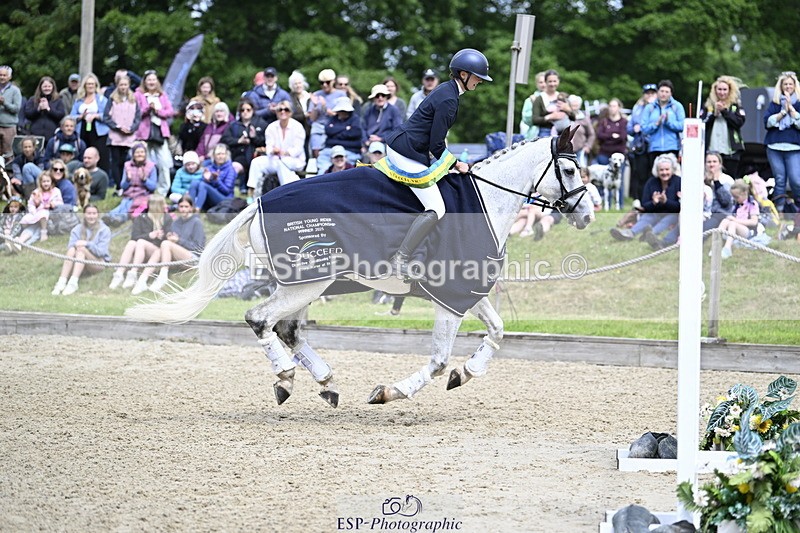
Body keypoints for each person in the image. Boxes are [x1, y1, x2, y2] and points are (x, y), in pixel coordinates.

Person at [382, 48, 492, 280]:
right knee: (436, 208)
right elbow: (436, 144)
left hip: (409, 147)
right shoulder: (449, 99)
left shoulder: (447, 90)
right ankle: (400, 259)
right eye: (477, 77)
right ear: (463, 75)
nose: (480, 81)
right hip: (405, 151)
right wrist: (458, 163)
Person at [137, 195, 206, 294]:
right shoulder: (176, 222)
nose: (183, 209)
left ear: (191, 208)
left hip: (193, 258)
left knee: (166, 244)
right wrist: (166, 236)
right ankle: (143, 279)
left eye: (186, 207)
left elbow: (199, 247)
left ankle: (162, 276)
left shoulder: (196, 222)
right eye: (181, 206)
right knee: (159, 249)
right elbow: (170, 240)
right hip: (176, 257)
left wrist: (178, 240)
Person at [610, 154, 681, 244]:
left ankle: (649, 235)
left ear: (672, 170)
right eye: (661, 170)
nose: (664, 172)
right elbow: (644, 205)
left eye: (667, 169)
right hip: (655, 212)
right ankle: (630, 233)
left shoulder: (678, 181)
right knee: (648, 216)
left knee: (669, 218)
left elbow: (680, 206)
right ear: (657, 171)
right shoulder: (651, 182)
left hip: (672, 214)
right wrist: (654, 202)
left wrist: (666, 202)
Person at [108, 195, 172, 294]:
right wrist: (150, 235)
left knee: (141, 242)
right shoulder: (141, 218)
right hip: (140, 249)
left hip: (156, 250)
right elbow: (134, 236)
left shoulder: (167, 218)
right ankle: (119, 274)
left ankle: (133, 272)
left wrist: (162, 236)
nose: (165, 205)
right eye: (162, 204)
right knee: (131, 243)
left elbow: (167, 237)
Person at [247, 100, 306, 196]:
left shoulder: (298, 127)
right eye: (280, 110)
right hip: (275, 159)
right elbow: (269, 146)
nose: (283, 112)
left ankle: (287, 193)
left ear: (290, 112)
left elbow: (297, 149)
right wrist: (272, 150)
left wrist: (284, 152)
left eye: (286, 109)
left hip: (294, 160)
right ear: (276, 112)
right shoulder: (271, 127)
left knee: (282, 163)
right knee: (256, 162)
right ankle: (252, 193)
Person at [50, 204, 111, 296]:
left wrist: (87, 244)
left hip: (97, 262)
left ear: (98, 215)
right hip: (79, 260)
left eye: (94, 213)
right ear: (84, 215)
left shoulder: (104, 230)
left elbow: (102, 252)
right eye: (89, 213)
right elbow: (71, 246)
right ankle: (62, 281)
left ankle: (73, 283)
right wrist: (77, 245)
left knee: (81, 249)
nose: (91, 216)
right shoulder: (77, 229)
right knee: (72, 250)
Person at [763, 71, 800, 213]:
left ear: (795, 86)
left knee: (796, 180)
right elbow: (768, 122)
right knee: (779, 180)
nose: (788, 86)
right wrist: (783, 112)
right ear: (781, 86)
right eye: (785, 84)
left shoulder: (799, 104)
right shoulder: (775, 103)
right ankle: (779, 212)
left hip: (794, 147)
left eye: (791, 84)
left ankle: (797, 209)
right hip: (774, 146)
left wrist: (791, 110)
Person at [134, 70, 175, 196]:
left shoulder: (162, 96)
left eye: (153, 80)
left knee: (164, 163)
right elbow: (136, 112)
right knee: (144, 162)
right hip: (144, 133)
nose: (151, 82)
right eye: (149, 80)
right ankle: (143, 188)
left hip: (160, 133)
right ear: (145, 82)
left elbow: (170, 112)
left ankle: (163, 190)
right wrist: (147, 108)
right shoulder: (138, 94)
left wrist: (158, 111)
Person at [700, 75, 746, 180]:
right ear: (715, 90)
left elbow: (739, 122)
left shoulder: (735, 105)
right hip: (712, 149)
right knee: (711, 178)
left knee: (729, 178)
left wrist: (725, 112)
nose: (722, 92)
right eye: (719, 89)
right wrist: (713, 115)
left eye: (725, 89)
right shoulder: (708, 105)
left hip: (731, 150)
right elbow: (702, 123)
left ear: (729, 91)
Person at [103, 141, 157, 225]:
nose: (140, 154)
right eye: (137, 152)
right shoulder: (127, 165)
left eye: (142, 152)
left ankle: (120, 218)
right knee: (123, 204)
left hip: (142, 196)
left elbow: (153, 187)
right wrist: (128, 180)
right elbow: (123, 186)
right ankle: (109, 216)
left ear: (145, 154)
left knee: (129, 205)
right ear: (133, 154)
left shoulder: (151, 166)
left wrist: (145, 180)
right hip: (129, 195)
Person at [221, 98, 267, 193]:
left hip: (254, 156)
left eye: (248, 109)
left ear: (253, 110)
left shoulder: (261, 123)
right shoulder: (234, 125)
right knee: (234, 167)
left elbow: (265, 142)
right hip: (237, 156)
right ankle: (229, 190)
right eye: (242, 110)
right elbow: (224, 139)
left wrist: (254, 137)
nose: (245, 112)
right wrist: (239, 141)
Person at [103, 74, 141, 190]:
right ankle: (118, 186)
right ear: (117, 86)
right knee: (115, 161)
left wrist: (131, 128)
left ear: (129, 85)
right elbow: (106, 117)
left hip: (129, 137)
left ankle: (127, 184)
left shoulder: (134, 99)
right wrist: (117, 127)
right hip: (115, 136)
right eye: (121, 85)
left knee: (126, 161)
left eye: (125, 85)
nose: (123, 87)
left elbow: (137, 117)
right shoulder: (112, 99)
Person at [70, 73, 110, 174]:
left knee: (101, 155)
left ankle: (101, 178)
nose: (90, 86)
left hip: (98, 131)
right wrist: (81, 116)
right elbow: (71, 117)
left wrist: (95, 116)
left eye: (92, 84)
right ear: (84, 86)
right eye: (88, 84)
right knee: (83, 154)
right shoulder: (78, 101)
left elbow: (108, 116)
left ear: (96, 85)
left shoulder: (102, 99)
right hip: (82, 129)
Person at [642, 79, 685, 170]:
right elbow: (644, 128)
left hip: (672, 147)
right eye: (661, 91)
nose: (663, 94)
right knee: (655, 175)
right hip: (654, 147)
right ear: (657, 92)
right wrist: (656, 124)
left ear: (671, 94)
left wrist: (668, 122)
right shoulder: (650, 107)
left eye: (666, 92)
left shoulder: (677, 106)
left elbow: (682, 126)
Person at [315, 97, 364, 174]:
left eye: (345, 110)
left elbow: (355, 133)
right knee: (322, 170)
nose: (343, 112)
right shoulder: (333, 119)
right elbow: (328, 130)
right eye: (341, 110)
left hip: (349, 151)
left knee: (343, 171)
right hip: (330, 150)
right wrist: (345, 128)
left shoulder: (355, 119)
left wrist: (335, 131)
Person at [627, 84, 658, 204]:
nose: (650, 95)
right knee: (641, 176)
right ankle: (641, 202)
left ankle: (654, 202)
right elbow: (629, 128)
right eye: (647, 93)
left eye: (652, 93)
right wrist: (634, 128)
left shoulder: (659, 107)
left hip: (654, 146)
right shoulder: (637, 108)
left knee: (654, 175)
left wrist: (642, 127)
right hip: (641, 146)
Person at [717, 179, 761, 259]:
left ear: (744, 193)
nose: (735, 199)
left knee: (733, 224)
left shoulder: (752, 204)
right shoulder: (737, 205)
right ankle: (716, 246)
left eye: (737, 197)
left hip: (748, 231)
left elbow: (754, 222)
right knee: (725, 221)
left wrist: (735, 220)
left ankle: (727, 248)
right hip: (737, 228)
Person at [307, 68, 347, 157]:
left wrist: (324, 107)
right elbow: (312, 119)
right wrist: (314, 105)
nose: (324, 85)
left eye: (327, 82)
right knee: (316, 145)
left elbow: (341, 115)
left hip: (334, 125)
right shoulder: (316, 94)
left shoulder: (341, 94)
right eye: (322, 83)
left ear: (333, 81)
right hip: (319, 126)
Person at [18, 170, 63, 242]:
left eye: (48, 181)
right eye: (44, 181)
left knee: (37, 228)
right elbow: (30, 204)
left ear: (51, 182)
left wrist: (53, 204)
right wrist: (34, 210)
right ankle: (20, 241)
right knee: (31, 226)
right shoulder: (36, 192)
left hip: (49, 217)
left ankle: (23, 242)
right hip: (36, 215)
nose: (46, 183)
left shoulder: (56, 191)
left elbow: (60, 204)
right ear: (40, 183)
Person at [189, 143, 236, 211]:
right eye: (218, 154)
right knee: (195, 182)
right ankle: (190, 207)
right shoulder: (210, 167)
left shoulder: (230, 169)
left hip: (225, 199)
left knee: (203, 185)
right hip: (211, 197)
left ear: (226, 155)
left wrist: (216, 180)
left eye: (223, 154)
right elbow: (203, 185)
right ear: (214, 155)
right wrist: (205, 179)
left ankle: (197, 210)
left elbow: (227, 191)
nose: (221, 156)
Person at [530, 69, 574, 138]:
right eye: (550, 81)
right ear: (545, 82)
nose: (552, 84)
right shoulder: (539, 99)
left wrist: (568, 109)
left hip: (563, 132)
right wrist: (550, 117)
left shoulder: (562, 96)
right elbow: (534, 120)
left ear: (558, 81)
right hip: (545, 132)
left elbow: (574, 117)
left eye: (555, 81)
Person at [363, 84, 403, 155]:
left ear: (387, 97)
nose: (380, 98)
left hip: (387, 144)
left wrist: (381, 139)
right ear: (373, 98)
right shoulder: (369, 110)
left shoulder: (394, 110)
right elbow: (363, 128)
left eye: (383, 95)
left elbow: (397, 130)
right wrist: (365, 141)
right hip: (369, 144)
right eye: (377, 96)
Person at [24, 76, 65, 142]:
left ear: (52, 87)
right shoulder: (33, 99)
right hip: (35, 134)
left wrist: (48, 109)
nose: (47, 88)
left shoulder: (58, 100)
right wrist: (38, 109)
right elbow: (27, 114)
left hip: (52, 134)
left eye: (49, 86)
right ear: (40, 87)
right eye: (45, 86)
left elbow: (61, 115)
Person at [0, 65, 22, 158]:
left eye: (4, 75)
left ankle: (8, 172)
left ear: (9, 77)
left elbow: (16, 108)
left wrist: (4, 103)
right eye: (0, 75)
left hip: (9, 127)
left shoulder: (15, 91)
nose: (2, 77)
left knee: (9, 154)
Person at [568, 94, 595, 167]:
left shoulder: (584, 118)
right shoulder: (565, 116)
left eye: (576, 105)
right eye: (573, 104)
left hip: (580, 150)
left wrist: (588, 146)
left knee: (582, 170)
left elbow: (591, 134)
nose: (574, 106)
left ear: (579, 106)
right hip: (566, 150)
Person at [520, 71, 546, 140]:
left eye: (545, 81)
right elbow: (526, 119)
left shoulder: (556, 98)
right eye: (541, 82)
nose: (543, 84)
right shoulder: (529, 100)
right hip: (533, 135)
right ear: (536, 84)